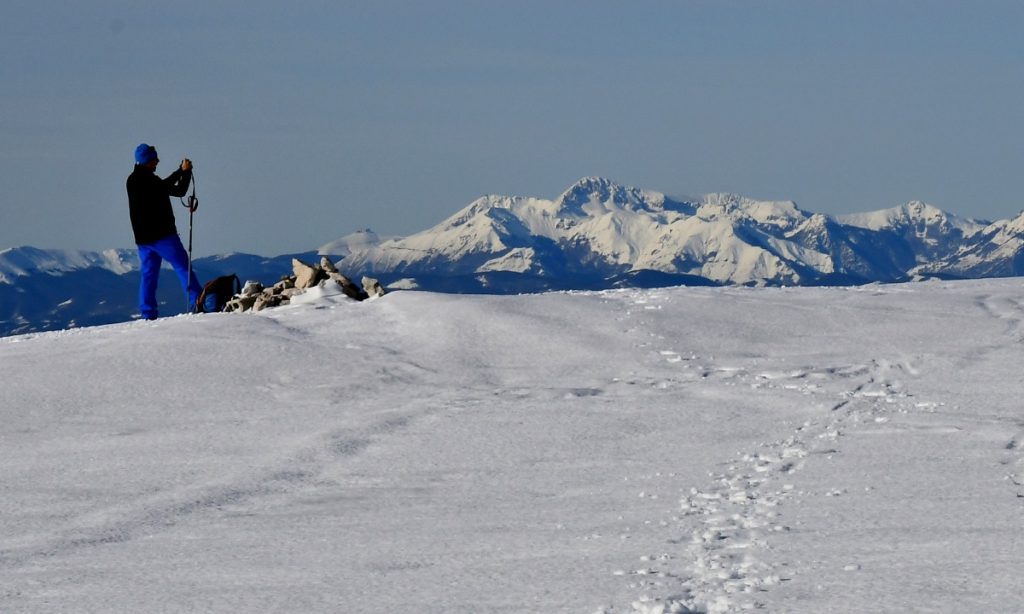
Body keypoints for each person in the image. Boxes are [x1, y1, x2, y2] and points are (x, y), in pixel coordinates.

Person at [126, 143, 202, 320]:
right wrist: (183, 171)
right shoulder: (148, 180)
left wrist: (183, 172)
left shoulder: (132, 180)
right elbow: (173, 189)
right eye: (154, 159)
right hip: (163, 235)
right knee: (183, 266)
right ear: (146, 161)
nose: (157, 161)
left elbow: (172, 188)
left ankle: (148, 312)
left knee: (148, 275)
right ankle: (199, 302)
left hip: (143, 239)